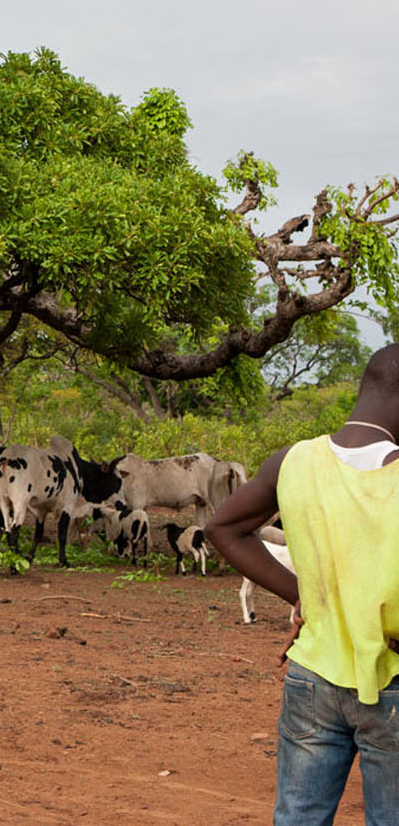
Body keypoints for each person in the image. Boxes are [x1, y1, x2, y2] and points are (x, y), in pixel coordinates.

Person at [208, 343, 399, 825]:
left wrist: (301, 596)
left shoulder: (292, 461)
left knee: (299, 817)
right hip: (392, 680)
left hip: (312, 677)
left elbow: (222, 529)